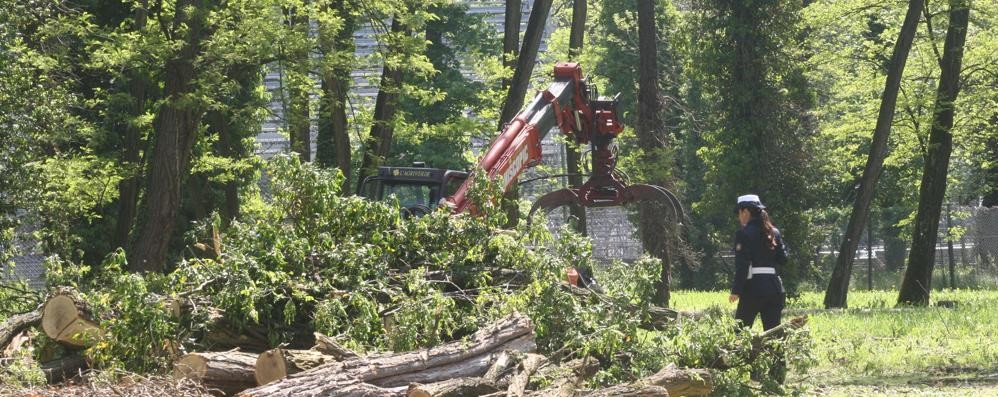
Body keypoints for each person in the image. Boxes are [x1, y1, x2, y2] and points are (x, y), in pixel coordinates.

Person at [728, 194, 787, 330]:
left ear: (746, 211)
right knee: (773, 335)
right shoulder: (774, 233)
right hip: (774, 288)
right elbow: (783, 259)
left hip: (752, 288)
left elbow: (742, 265)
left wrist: (736, 290)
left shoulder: (743, 234)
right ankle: (775, 352)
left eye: (739, 212)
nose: (739, 217)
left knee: (740, 332)